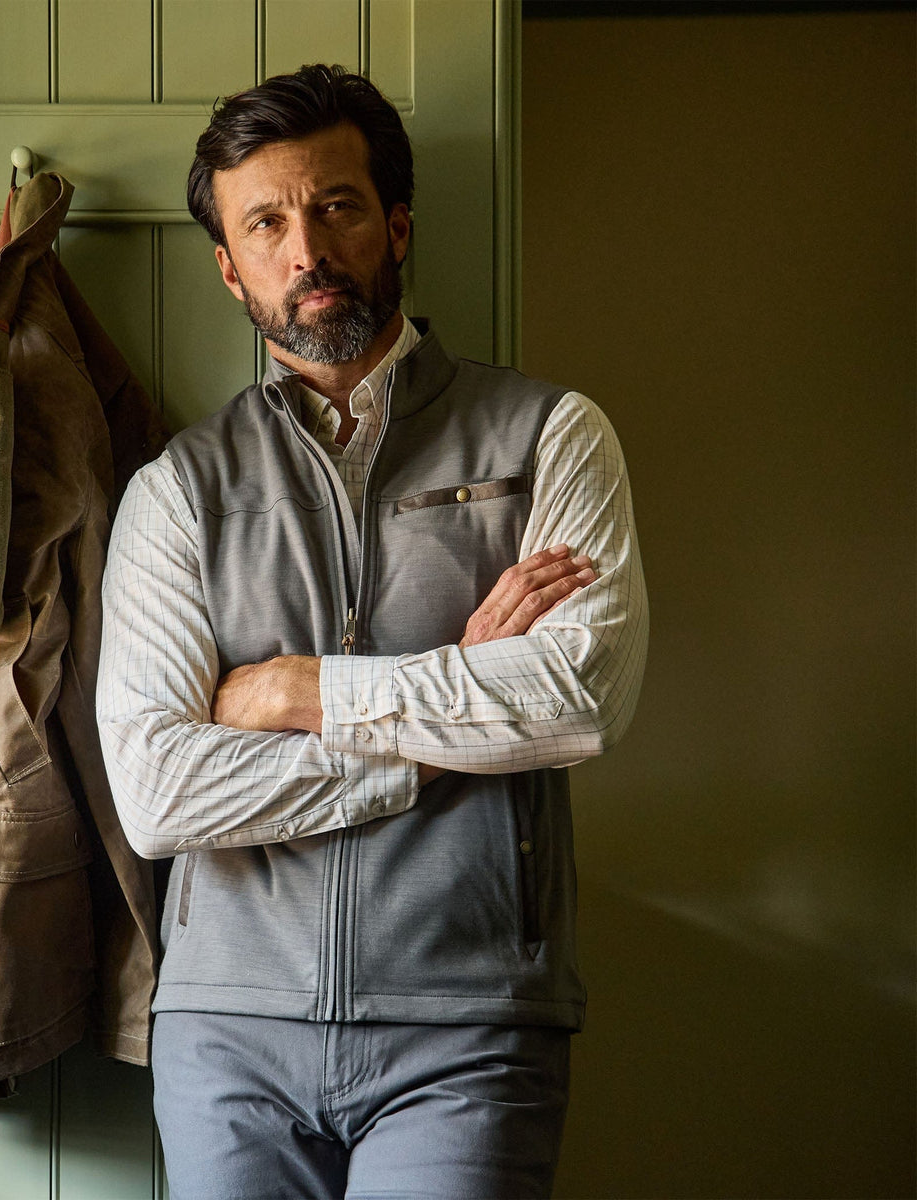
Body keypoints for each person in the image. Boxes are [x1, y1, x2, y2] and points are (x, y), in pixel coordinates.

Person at [97, 63, 647, 1200]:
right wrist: (449, 715)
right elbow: (156, 793)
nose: (306, 249)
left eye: (335, 206)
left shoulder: (549, 435)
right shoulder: (177, 491)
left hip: (472, 1025)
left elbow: (581, 699)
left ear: (395, 225)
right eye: (265, 223)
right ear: (229, 266)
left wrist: (296, 692)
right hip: (228, 1033)